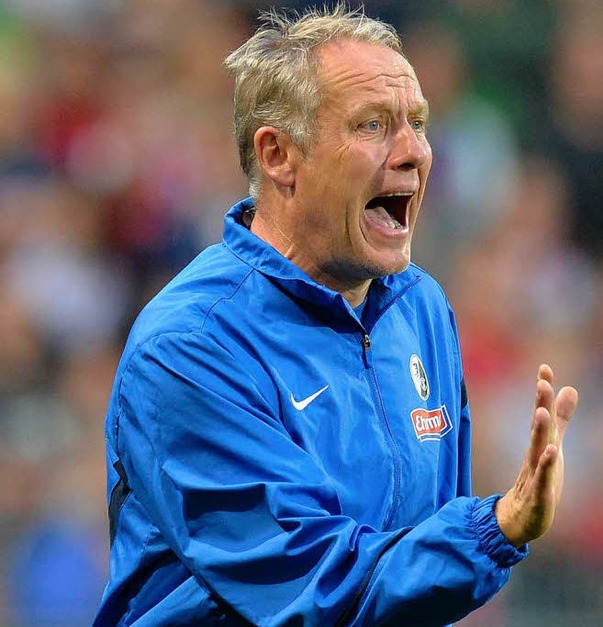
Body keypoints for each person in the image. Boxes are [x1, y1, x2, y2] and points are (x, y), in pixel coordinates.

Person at [94, 6, 578, 626]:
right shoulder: (192, 346)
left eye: (418, 124)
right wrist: (497, 528)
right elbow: (309, 588)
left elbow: (422, 580)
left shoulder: (421, 308)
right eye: (372, 125)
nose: (414, 153)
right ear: (278, 155)